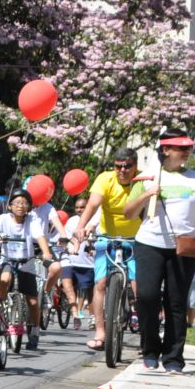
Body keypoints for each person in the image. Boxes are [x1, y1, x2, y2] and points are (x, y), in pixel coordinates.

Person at [122, 127, 195, 375]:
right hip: (150, 243)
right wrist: (146, 195)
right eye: (181, 148)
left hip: (184, 246)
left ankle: (173, 357)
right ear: (165, 149)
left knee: (176, 302)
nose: (187, 152)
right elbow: (128, 213)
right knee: (147, 297)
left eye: (189, 148)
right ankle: (150, 350)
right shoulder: (147, 177)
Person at [74, 146, 144, 352]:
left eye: (127, 166)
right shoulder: (105, 179)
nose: (122, 170)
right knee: (100, 284)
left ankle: (145, 333)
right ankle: (100, 333)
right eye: (118, 166)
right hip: (107, 237)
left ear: (135, 166)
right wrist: (81, 227)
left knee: (138, 287)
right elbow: (92, 205)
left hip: (136, 239)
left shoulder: (142, 180)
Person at [0, 190, 55, 349]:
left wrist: (46, 253)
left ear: (29, 207)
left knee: (33, 301)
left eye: (24, 203)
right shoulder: (3, 219)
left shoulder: (32, 220)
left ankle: (34, 332)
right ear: (10, 206)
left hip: (27, 263)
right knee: (4, 280)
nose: (20, 206)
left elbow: (40, 237)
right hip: (7, 260)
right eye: (17, 203)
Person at [59, 196, 98, 328]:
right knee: (69, 288)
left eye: (82, 207)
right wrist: (68, 247)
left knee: (90, 291)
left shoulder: (95, 220)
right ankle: (75, 315)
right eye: (77, 207)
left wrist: (92, 248)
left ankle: (93, 318)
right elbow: (66, 238)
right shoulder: (71, 221)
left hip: (89, 263)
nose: (79, 210)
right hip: (71, 261)